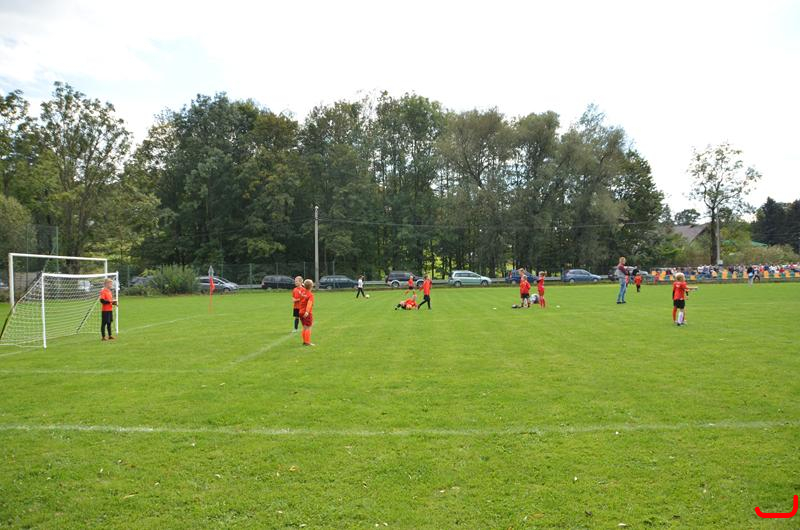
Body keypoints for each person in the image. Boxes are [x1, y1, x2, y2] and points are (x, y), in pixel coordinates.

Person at [299, 279, 315, 346]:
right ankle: (307, 342)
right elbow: (309, 303)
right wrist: (307, 312)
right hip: (306, 313)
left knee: (304, 327)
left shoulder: (302, 292)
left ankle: (304, 341)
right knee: (308, 327)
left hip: (300, 312)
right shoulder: (310, 295)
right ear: (312, 286)